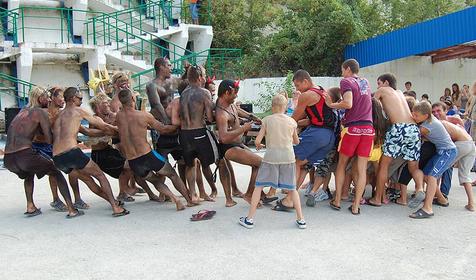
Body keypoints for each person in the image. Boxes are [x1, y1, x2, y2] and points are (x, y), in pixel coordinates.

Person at [4, 87, 82, 218]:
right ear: (40, 99)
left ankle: (30, 206)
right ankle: (71, 209)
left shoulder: (22, 111)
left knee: (29, 174)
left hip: (9, 158)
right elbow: (49, 139)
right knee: (56, 172)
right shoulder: (40, 112)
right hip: (25, 155)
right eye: (47, 97)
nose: (50, 99)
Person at [52, 87, 129, 217]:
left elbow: (87, 132)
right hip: (71, 152)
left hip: (57, 158)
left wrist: (105, 134)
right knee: (100, 176)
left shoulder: (58, 115)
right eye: (80, 98)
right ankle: (115, 207)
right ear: (72, 98)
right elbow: (103, 126)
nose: (82, 101)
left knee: (88, 180)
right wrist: (119, 130)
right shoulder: (78, 111)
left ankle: (71, 210)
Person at [116, 89, 192, 211]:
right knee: (172, 174)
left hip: (134, 161)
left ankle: (175, 199)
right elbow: (163, 129)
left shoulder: (118, 117)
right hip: (148, 155)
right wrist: (178, 125)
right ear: (133, 99)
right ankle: (188, 200)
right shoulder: (143, 116)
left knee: (156, 181)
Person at [239, 94, 306, 229]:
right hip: (288, 158)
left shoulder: (267, 120)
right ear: (286, 107)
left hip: (271, 158)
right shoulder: (292, 122)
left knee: (258, 187)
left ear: (272, 107)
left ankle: (249, 219)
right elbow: (296, 141)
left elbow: (257, 141)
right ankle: (301, 220)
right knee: (292, 189)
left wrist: (259, 145)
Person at [368, 73, 424, 207]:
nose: (378, 86)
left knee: (384, 165)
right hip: (413, 129)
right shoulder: (400, 93)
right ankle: (420, 188)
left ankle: (378, 199)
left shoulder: (382, 91)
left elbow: (372, 106)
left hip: (398, 128)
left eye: (379, 83)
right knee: (413, 166)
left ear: (386, 83)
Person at [325, 59, 372, 215]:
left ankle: (337, 200)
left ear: (347, 69)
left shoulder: (346, 81)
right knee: (362, 169)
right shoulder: (365, 82)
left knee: (342, 164)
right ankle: (356, 205)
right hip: (368, 129)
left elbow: (348, 103)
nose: (342, 73)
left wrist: (332, 105)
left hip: (352, 128)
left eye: (342, 69)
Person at [216, 79, 263, 205]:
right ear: (226, 93)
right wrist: (244, 128)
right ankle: (249, 194)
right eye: (234, 93)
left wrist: (253, 117)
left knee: (259, 164)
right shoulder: (221, 114)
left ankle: (259, 193)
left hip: (238, 144)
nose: (236, 96)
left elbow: (238, 110)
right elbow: (224, 137)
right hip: (229, 147)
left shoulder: (230, 104)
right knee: (261, 163)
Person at [410, 101, 457, 219]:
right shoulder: (427, 120)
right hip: (441, 152)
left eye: (416, 115)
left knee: (431, 177)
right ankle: (442, 200)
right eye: (413, 114)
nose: (413, 117)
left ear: (425, 116)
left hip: (448, 152)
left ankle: (428, 208)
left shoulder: (427, 126)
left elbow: (414, 134)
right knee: (426, 175)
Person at [438, 120, 476, 211]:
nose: (436, 113)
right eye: (434, 111)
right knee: (465, 175)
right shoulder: (451, 120)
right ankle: (471, 203)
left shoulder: (441, 123)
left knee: (438, 169)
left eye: (438, 111)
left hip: (461, 144)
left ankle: (436, 196)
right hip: (470, 144)